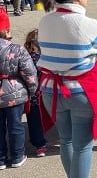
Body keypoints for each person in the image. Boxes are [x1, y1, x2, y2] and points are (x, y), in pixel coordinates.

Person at [37, 0, 97, 178]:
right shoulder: (89, 24)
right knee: (82, 147)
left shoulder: (45, 21)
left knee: (66, 141)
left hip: (50, 92)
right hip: (80, 92)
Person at [0, 8, 38, 169]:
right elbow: (29, 73)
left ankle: (1, 158)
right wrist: (32, 90)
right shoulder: (17, 49)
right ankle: (17, 156)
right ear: (6, 29)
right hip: (14, 94)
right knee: (15, 125)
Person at [23, 29, 48, 157]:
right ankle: (41, 144)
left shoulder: (24, 58)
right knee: (44, 118)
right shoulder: (43, 59)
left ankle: (39, 144)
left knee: (33, 120)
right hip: (44, 95)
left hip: (30, 96)